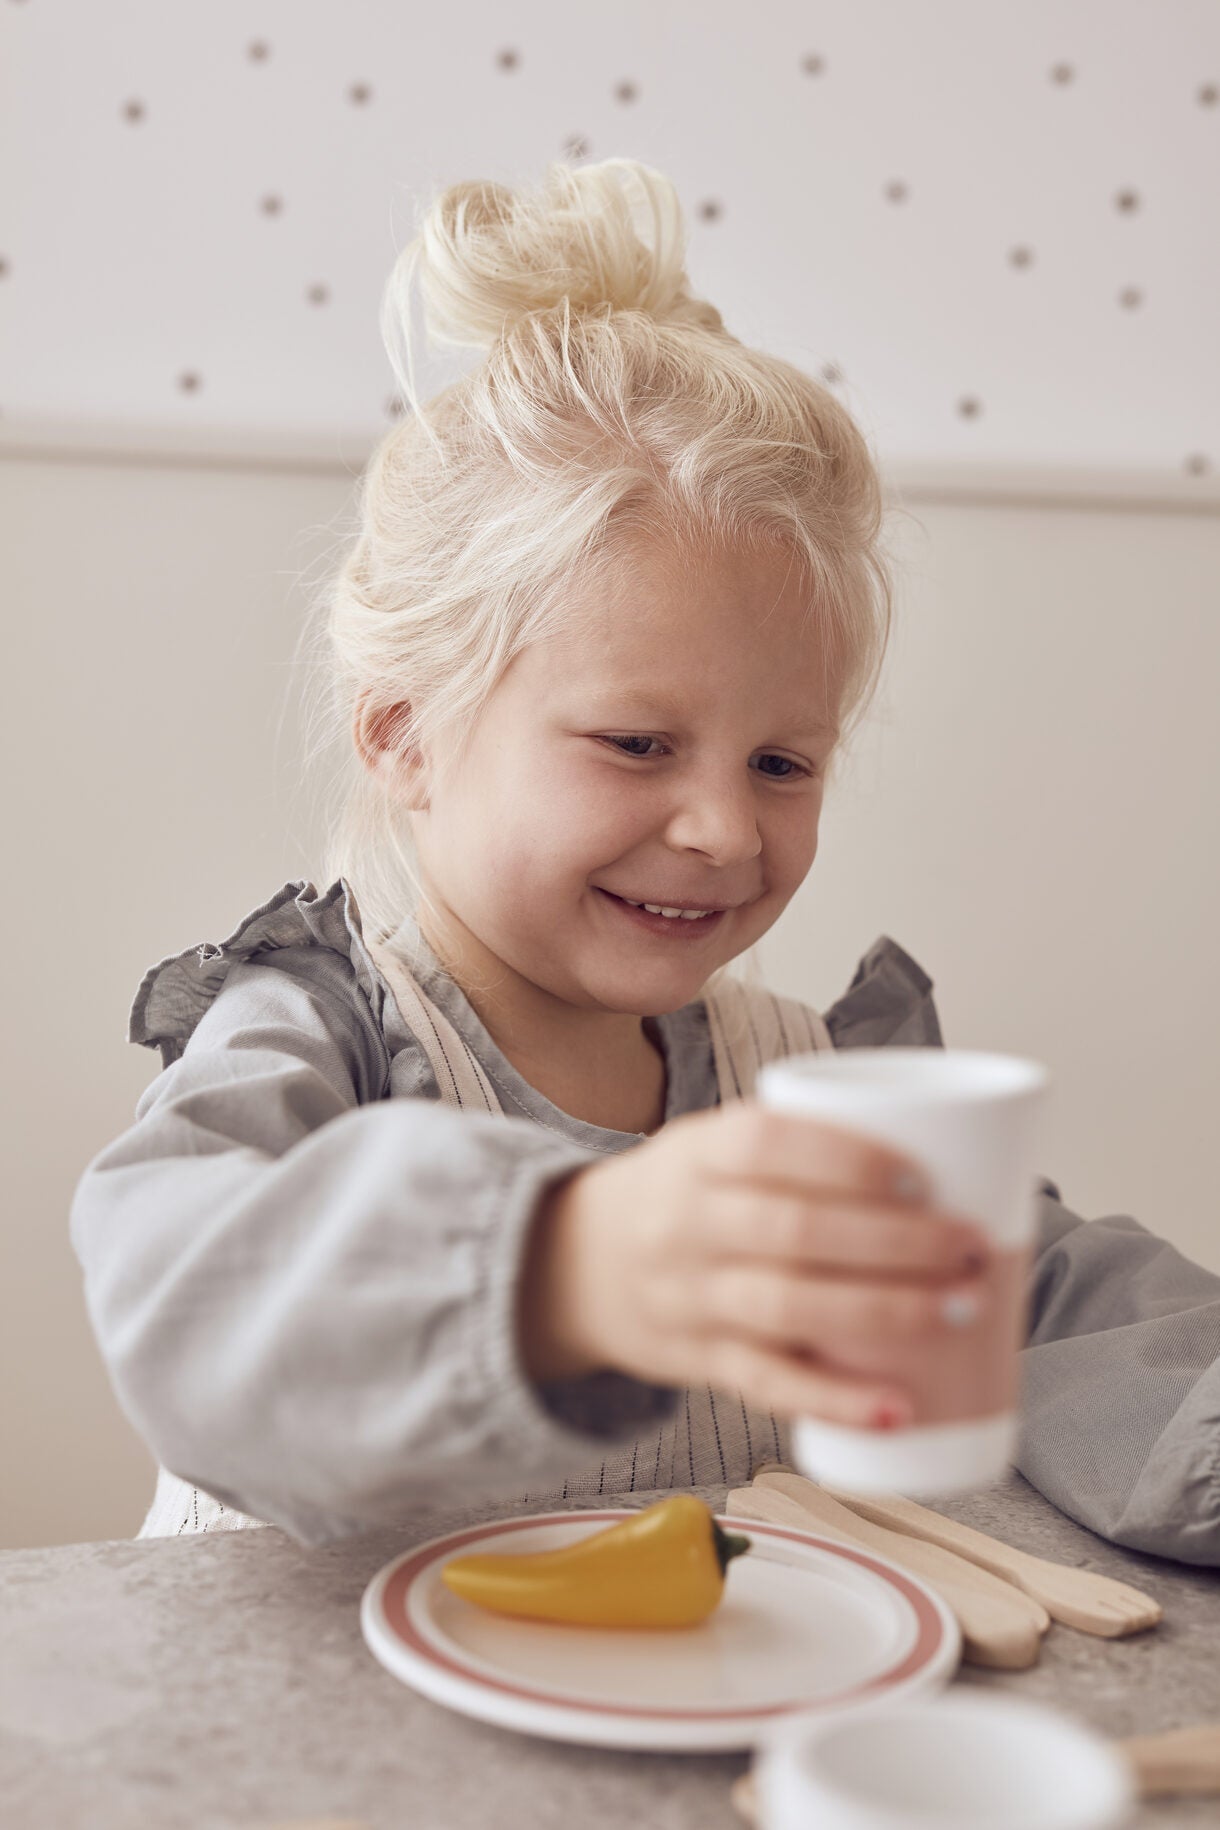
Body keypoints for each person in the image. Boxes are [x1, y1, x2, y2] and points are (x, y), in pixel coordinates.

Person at [70, 159, 1219, 1561]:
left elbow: (1058, 1306)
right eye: (633, 743)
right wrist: (566, 1269)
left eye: (783, 764)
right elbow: (185, 1295)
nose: (727, 830)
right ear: (406, 736)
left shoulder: (810, 1085)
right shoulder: (317, 1032)